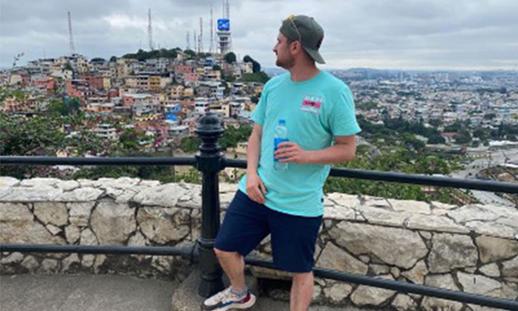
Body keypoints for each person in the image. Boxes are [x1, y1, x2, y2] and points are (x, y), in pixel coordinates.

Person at [203, 14, 361, 311]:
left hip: (299, 201)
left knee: (300, 271)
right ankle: (239, 293)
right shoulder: (274, 87)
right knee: (223, 247)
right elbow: (257, 134)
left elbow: (348, 149)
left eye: (279, 41)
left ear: (295, 46)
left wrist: (306, 155)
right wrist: (251, 174)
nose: (274, 47)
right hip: (258, 190)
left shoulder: (335, 92)